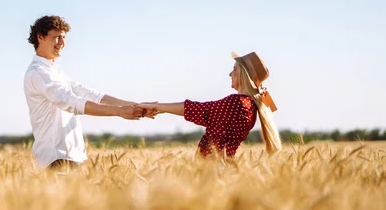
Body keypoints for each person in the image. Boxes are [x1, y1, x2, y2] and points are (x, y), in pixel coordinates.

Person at [24, 15, 151, 169]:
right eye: (57, 37)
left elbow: (90, 94)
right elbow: (70, 102)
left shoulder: (54, 70)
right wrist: (120, 112)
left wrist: (136, 105)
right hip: (55, 157)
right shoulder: (38, 73)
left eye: (64, 38)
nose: (62, 43)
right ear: (40, 37)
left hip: (68, 155)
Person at [139, 51, 282, 157]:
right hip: (219, 167)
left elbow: (198, 110)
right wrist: (161, 109)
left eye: (234, 69)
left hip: (214, 168)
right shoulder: (249, 105)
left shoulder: (237, 103)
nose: (230, 74)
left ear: (243, 75)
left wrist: (157, 107)